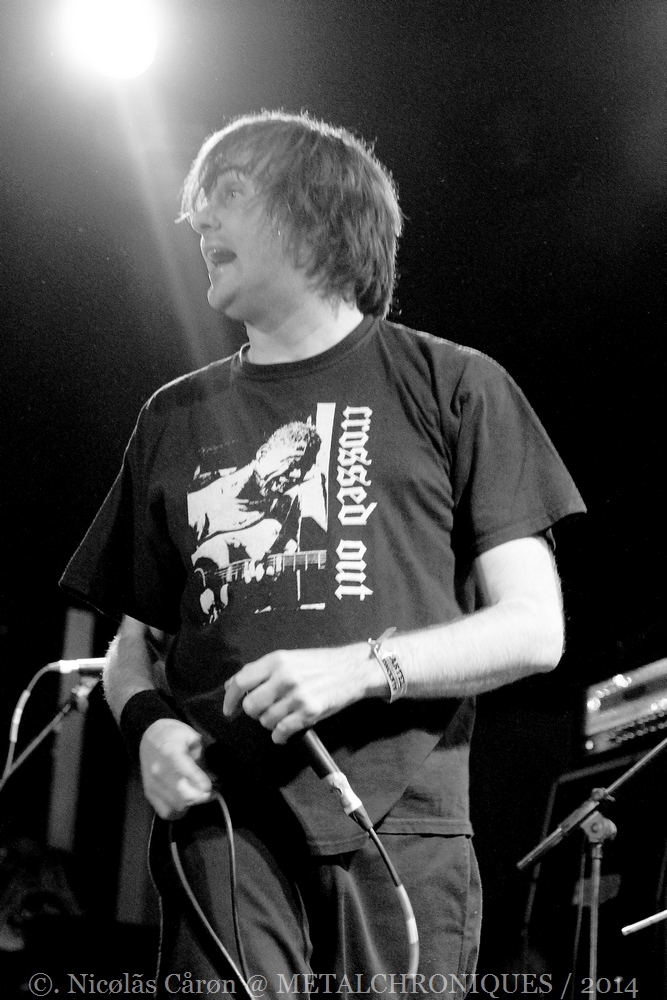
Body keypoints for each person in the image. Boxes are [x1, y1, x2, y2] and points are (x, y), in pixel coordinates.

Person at [60, 110, 585, 996]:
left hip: (400, 823)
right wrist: (147, 726)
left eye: (227, 194)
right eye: (198, 202)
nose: (197, 219)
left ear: (315, 212)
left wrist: (360, 668)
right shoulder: (173, 416)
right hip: (223, 829)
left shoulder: (455, 384)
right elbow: (132, 646)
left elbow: (534, 629)